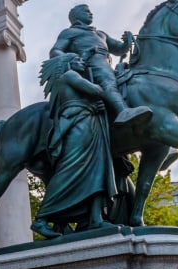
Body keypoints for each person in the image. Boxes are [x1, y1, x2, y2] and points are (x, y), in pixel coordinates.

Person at [31, 53, 117, 238]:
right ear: (67, 63)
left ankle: (95, 218)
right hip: (78, 126)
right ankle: (41, 219)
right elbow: (96, 91)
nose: (82, 62)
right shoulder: (70, 75)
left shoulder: (74, 76)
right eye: (77, 60)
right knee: (69, 170)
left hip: (89, 124)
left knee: (97, 171)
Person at [49, 4, 151, 126]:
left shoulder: (101, 34)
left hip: (106, 64)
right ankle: (123, 111)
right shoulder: (70, 32)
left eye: (90, 11)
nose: (90, 13)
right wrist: (74, 58)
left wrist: (126, 43)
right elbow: (55, 51)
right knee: (108, 81)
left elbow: (119, 49)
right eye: (86, 11)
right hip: (90, 64)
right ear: (76, 16)